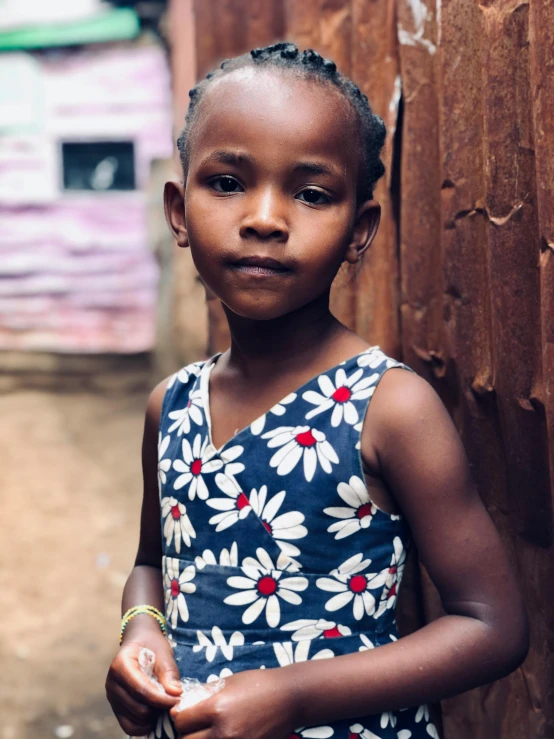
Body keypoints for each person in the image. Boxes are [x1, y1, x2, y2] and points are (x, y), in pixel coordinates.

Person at [105, 42, 529, 739]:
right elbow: (152, 564)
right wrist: (139, 629)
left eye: (310, 193)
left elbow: (491, 625)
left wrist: (293, 694)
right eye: (228, 182)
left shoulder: (389, 407)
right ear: (178, 212)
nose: (266, 217)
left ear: (358, 231)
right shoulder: (172, 405)